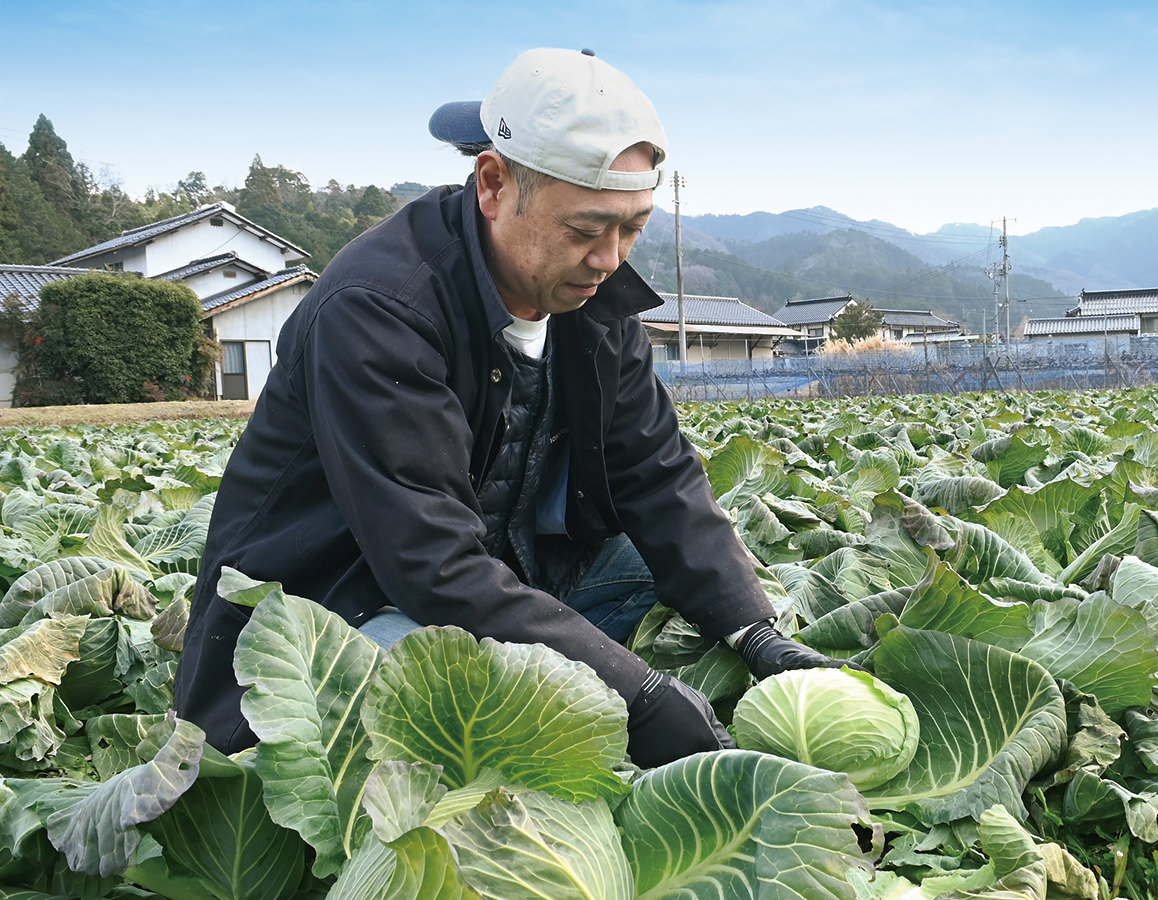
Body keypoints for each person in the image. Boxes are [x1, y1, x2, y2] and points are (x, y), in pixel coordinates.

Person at [173, 48, 846, 767]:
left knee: (676, 572)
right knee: (433, 711)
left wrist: (755, 631)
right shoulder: (381, 309)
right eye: (586, 231)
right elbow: (431, 564)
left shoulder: (589, 299)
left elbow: (655, 474)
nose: (611, 258)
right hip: (335, 616)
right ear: (493, 184)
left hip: (492, 579)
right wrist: (637, 694)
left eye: (633, 228)